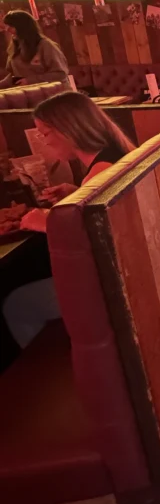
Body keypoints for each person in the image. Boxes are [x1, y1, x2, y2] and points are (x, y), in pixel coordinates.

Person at [2, 93, 134, 351]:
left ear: (69, 130)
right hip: (125, 272)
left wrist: (44, 223)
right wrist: (75, 191)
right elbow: (104, 216)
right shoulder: (111, 154)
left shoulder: (100, 172)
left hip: (114, 285)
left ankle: (49, 369)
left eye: (45, 133)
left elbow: (91, 242)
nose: (44, 142)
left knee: (17, 303)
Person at [0, 9, 69, 88]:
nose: (7, 29)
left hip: (54, 94)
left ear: (24, 27)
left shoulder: (46, 45)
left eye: (11, 26)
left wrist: (30, 81)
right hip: (31, 95)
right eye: (7, 26)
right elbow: (14, 76)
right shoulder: (15, 47)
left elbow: (60, 74)